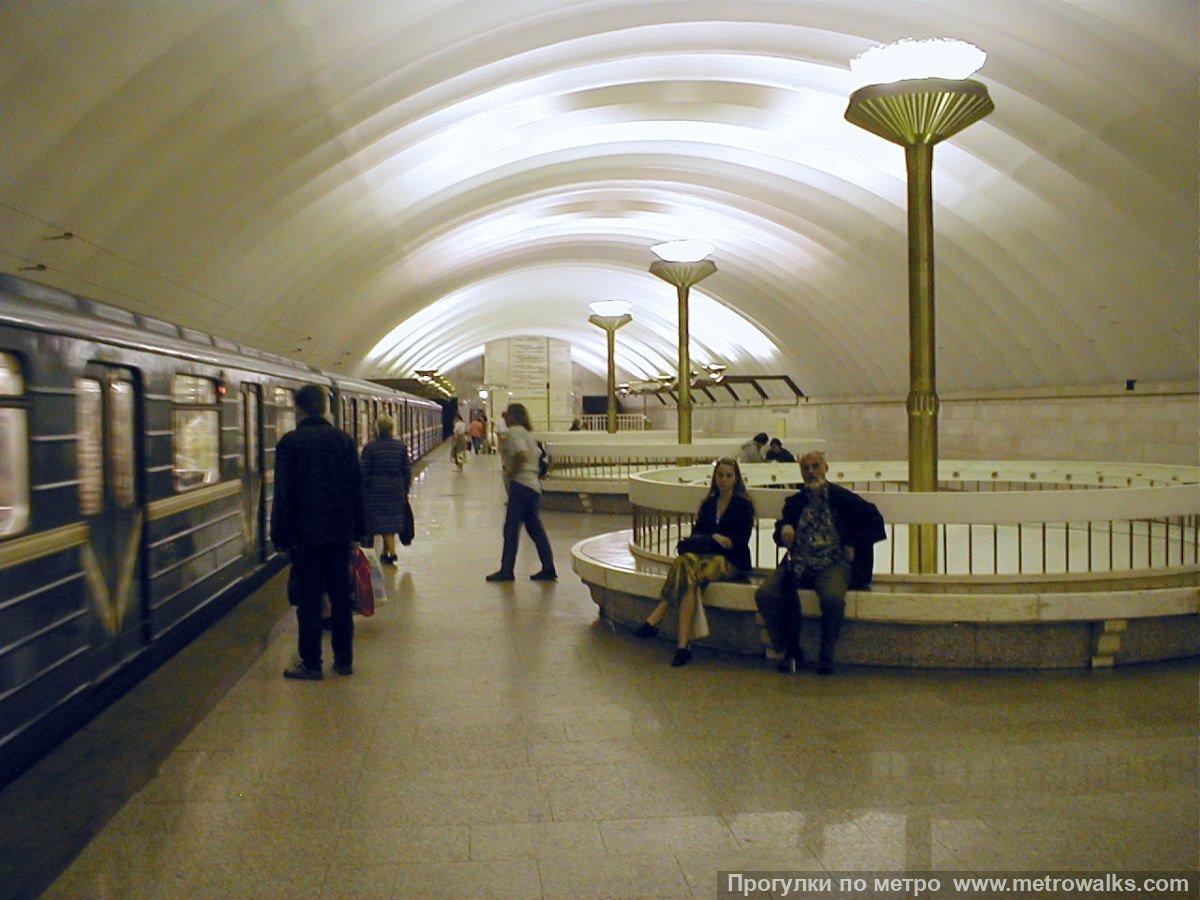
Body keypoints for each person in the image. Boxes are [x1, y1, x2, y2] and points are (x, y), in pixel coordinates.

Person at [755, 450, 885, 676]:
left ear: (826, 468)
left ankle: (826, 654)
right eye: (806, 468)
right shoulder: (795, 503)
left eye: (816, 467)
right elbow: (781, 528)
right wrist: (784, 530)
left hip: (833, 562)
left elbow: (875, 522)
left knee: (832, 598)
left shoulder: (843, 499)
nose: (811, 472)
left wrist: (853, 544)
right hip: (799, 561)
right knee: (766, 594)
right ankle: (788, 647)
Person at [270, 384, 366, 680]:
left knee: (309, 602)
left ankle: (312, 663)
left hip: (305, 537)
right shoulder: (344, 442)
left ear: (298, 409)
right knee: (340, 598)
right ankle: (344, 660)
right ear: (325, 408)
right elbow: (356, 489)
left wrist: (281, 536)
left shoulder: (290, 443)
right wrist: (360, 530)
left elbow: (284, 494)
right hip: (339, 535)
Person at [633, 457, 755, 667]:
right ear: (714, 478)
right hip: (703, 560)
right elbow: (690, 542)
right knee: (686, 563)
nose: (724, 480)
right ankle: (682, 646)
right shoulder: (708, 505)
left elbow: (736, 543)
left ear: (736, 479)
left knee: (686, 567)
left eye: (728, 476)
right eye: (720, 475)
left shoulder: (743, 506)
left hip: (730, 562)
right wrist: (714, 539)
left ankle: (658, 616)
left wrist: (708, 540)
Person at [486, 403, 557, 583]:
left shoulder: (515, 432)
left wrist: (511, 470)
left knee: (511, 529)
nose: (505, 418)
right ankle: (548, 567)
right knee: (535, 529)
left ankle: (506, 570)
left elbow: (522, 454)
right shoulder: (528, 433)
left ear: (513, 416)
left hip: (521, 485)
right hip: (533, 486)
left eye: (507, 414)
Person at [360, 414, 411, 565]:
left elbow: (365, 472)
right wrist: (405, 488)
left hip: (376, 491)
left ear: (377, 430)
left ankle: (391, 552)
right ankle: (386, 552)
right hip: (396, 489)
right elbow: (406, 470)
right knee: (391, 521)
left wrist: (363, 491)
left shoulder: (370, 448)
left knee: (381, 522)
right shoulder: (400, 447)